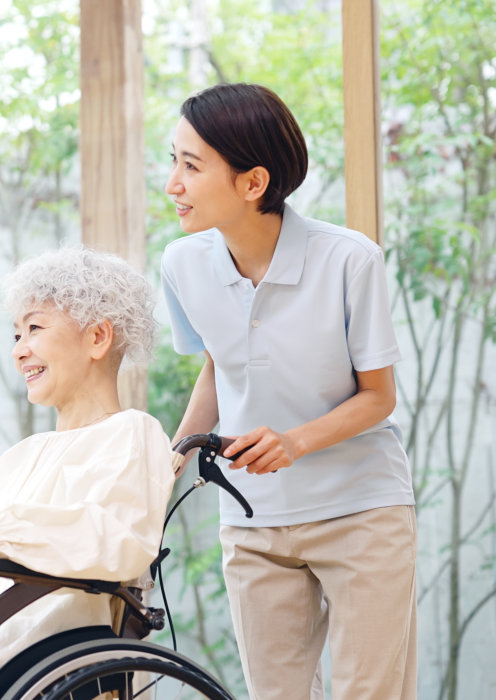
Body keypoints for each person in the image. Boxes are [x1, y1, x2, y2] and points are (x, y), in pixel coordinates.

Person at [161, 82, 417, 700]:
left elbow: (378, 397)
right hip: (252, 521)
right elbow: (222, 365)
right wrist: (169, 462)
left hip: (361, 510)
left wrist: (294, 441)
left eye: (191, 166)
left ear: (253, 183)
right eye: (173, 160)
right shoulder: (182, 264)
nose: (172, 183)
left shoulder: (350, 260)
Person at [0, 246, 176, 699]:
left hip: (26, 658)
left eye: (34, 329)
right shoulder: (23, 455)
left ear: (98, 337)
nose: (19, 351)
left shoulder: (132, 433)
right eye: (16, 335)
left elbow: (114, 540)